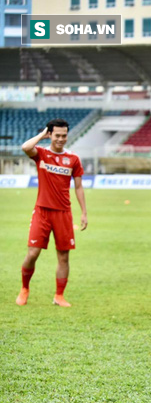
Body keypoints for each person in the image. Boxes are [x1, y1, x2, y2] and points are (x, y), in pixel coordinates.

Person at [16, 119, 87, 307]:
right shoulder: (41, 153)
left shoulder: (73, 159)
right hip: (42, 211)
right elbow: (25, 147)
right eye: (57, 135)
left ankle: (59, 296)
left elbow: (79, 187)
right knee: (33, 253)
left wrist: (84, 213)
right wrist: (42, 135)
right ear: (50, 135)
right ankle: (24, 289)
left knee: (63, 256)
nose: (61, 139)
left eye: (64, 136)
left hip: (64, 213)